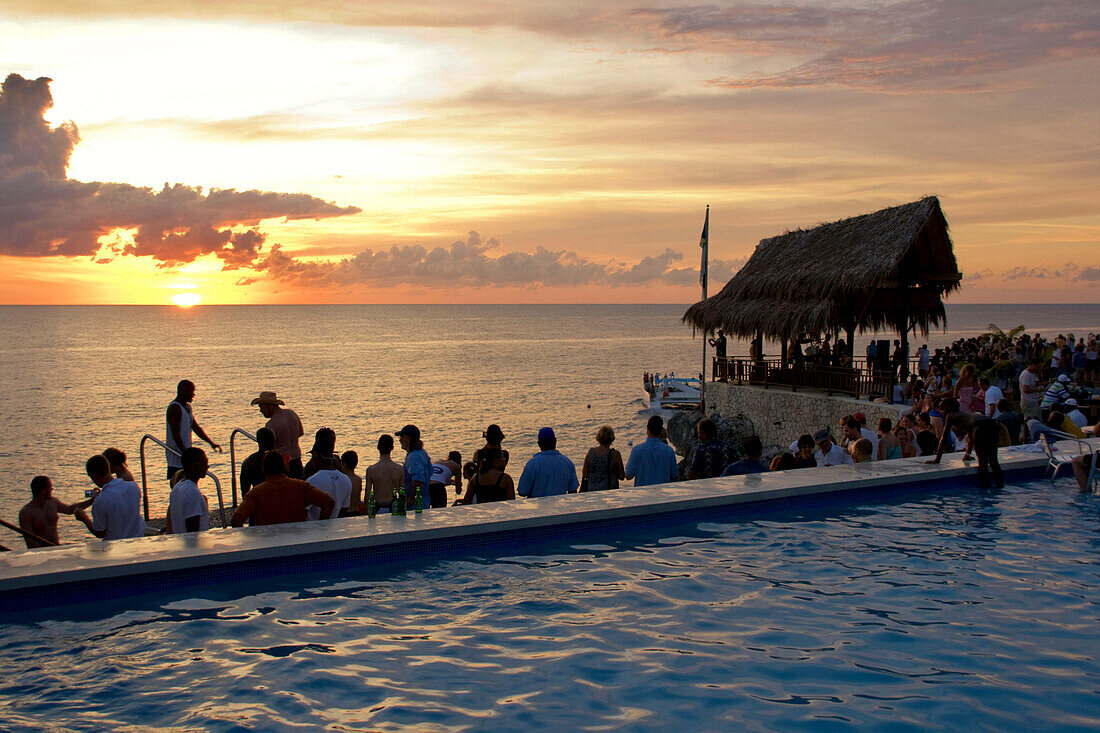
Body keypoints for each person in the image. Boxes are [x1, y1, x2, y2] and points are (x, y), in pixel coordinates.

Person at [230, 452, 334, 527]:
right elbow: (328, 502)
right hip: (297, 540)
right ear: (285, 468)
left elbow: (236, 519)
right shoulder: (300, 486)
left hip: (267, 543)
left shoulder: (256, 493)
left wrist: (249, 539)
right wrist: (321, 528)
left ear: (263, 470)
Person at [929, 401, 1004, 488]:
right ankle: (1000, 485)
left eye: (942, 409)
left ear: (950, 409)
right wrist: (967, 454)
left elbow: (943, 438)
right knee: (993, 459)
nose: (941, 411)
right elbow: (971, 436)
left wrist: (937, 459)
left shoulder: (950, 416)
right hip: (992, 424)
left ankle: (985, 486)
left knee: (982, 460)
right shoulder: (966, 415)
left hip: (980, 426)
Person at [166, 380, 221, 482]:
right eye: (191, 392)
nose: (193, 395)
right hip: (177, 456)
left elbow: (196, 428)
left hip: (186, 456)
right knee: (178, 483)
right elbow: (175, 434)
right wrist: (186, 453)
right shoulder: (175, 408)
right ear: (183, 391)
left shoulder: (187, 407)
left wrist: (211, 443)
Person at [81, 454, 145, 540]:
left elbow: (100, 533)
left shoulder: (100, 501)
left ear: (93, 476)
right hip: (138, 539)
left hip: (116, 545)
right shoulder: (133, 487)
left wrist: (84, 518)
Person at [18, 476, 90, 548]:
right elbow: (30, 541)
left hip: (56, 546)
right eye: (50, 487)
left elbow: (69, 509)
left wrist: (91, 501)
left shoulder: (53, 502)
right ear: (43, 490)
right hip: (39, 551)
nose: (52, 489)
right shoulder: (26, 512)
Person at [251, 391, 305, 478]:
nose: (260, 411)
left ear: (269, 406)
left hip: (283, 464)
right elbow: (300, 433)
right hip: (297, 460)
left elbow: (268, 446)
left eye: (261, 407)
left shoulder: (271, 424)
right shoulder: (291, 414)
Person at [303, 428, 352, 520]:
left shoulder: (312, 480)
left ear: (316, 455)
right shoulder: (346, 479)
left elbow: (303, 509)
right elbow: (344, 509)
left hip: (313, 530)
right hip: (332, 528)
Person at [516, 427, 579, 498]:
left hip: (538, 508)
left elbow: (522, 492)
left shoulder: (532, 464)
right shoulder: (567, 462)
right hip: (561, 507)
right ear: (555, 441)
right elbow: (573, 490)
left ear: (539, 444)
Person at [625, 415, 679, 487]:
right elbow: (675, 476)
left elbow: (628, 476)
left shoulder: (637, 450)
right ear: (661, 431)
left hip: (642, 494)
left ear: (647, 430)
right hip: (663, 494)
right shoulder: (669, 451)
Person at [167, 447, 211, 533]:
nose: (207, 467)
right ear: (192, 467)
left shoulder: (177, 488)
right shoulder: (192, 493)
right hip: (195, 545)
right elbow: (193, 531)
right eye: (204, 464)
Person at [394, 424, 432, 508]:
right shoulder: (422, 453)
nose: (400, 441)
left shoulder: (414, 457)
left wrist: (411, 498)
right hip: (424, 501)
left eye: (401, 437)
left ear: (407, 438)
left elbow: (418, 480)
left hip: (416, 504)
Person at [364, 434, 404, 513]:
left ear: (378, 448)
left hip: (378, 507)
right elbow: (402, 493)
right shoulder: (399, 469)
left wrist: (366, 512)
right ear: (392, 448)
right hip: (393, 506)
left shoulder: (371, 470)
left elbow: (367, 495)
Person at [582, 426, 626, 491]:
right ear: (612, 439)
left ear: (598, 438)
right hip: (610, 492)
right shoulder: (615, 454)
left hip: (592, 491)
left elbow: (585, 474)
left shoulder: (590, 452)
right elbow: (622, 476)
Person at [239, 427, 276, 496]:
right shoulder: (278, 459)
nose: (274, 441)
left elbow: (244, 490)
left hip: (258, 497)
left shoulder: (248, 462)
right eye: (272, 439)